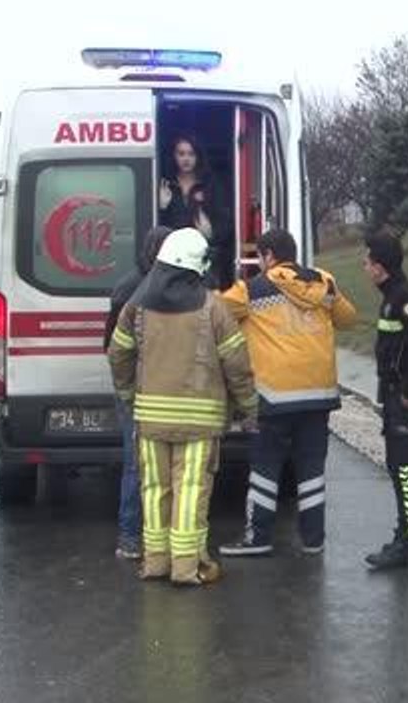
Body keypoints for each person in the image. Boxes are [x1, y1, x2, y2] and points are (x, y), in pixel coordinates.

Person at [108, 228, 258, 585]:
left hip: (149, 420)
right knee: (190, 490)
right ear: (196, 266)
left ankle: (156, 562)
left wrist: (130, 395)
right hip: (198, 423)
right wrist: (249, 408)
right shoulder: (214, 308)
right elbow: (237, 364)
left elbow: (118, 354)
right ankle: (187, 567)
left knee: (154, 488)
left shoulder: (137, 306)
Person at [215, 229, 358, 556]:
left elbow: (216, 314)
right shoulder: (324, 282)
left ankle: (258, 537)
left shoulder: (252, 289)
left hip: (274, 396)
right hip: (319, 395)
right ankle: (313, 539)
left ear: (267, 256)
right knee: (311, 470)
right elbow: (348, 319)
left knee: (265, 468)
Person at [362, 230, 408, 570]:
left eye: (368, 261)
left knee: (404, 469)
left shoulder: (407, 299)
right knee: (399, 467)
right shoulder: (391, 296)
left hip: (407, 397)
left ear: (381, 266)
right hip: (393, 394)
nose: (364, 266)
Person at [105, 225, 174, 560]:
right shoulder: (177, 288)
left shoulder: (126, 287)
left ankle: (133, 538)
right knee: (164, 464)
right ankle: (145, 537)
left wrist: (125, 388)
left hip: (137, 387)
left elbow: (112, 347)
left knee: (138, 463)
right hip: (158, 387)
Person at [158, 134, 236, 289]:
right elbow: (156, 227)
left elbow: (226, 225)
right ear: (173, 156)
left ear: (198, 156)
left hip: (204, 260)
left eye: (191, 154)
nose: (186, 159)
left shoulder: (210, 184)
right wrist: (162, 207)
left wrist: (210, 230)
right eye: (181, 154)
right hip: (174, 259)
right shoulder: (165, 183)